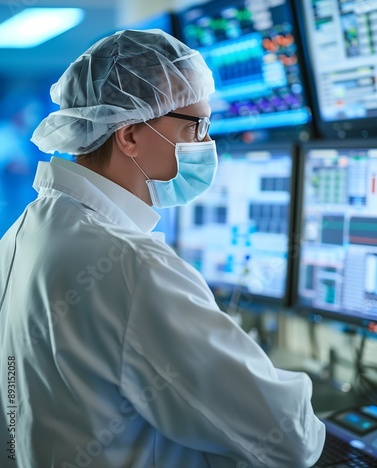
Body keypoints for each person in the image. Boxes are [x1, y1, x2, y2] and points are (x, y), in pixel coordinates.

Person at [0, 29, 325, 468]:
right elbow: (291, 438)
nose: (207, 145)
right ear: (130, 135)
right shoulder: (131, 266)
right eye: (197, 126)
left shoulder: (24, 232)